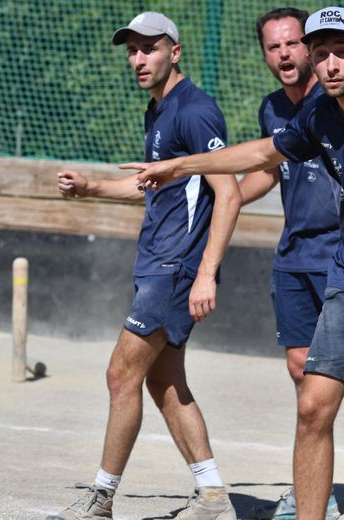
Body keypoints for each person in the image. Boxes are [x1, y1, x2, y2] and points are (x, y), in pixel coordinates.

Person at [129, 6, 344, 519]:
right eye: (321, 54)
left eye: (340, 52)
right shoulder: (316, 117)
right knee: (313, 406)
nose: (330, 64)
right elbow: (258, 155)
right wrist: (180, 165)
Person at [46, 11, 241, 520]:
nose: (137, 59)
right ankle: (215, 496)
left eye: (148, 48)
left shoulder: (195, 111)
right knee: (163, 381)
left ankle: (100, 500)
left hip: (176, 269)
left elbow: (230, 191)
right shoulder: (157, 111)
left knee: (120, 375)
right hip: (157, 264)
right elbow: (149, 184)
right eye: (131, 50)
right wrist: (91, 190)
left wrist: (205, 273)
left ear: (174, 52)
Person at [240, 8, 341, 520]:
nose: (283, 53)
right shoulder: (271, 109)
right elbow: (269, 171)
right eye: (272, 47)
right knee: (303, 370)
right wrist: (227, 197)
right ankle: (311, 485)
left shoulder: (341, 100)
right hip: (294, 255)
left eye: (292, 43)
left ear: (310, 48)